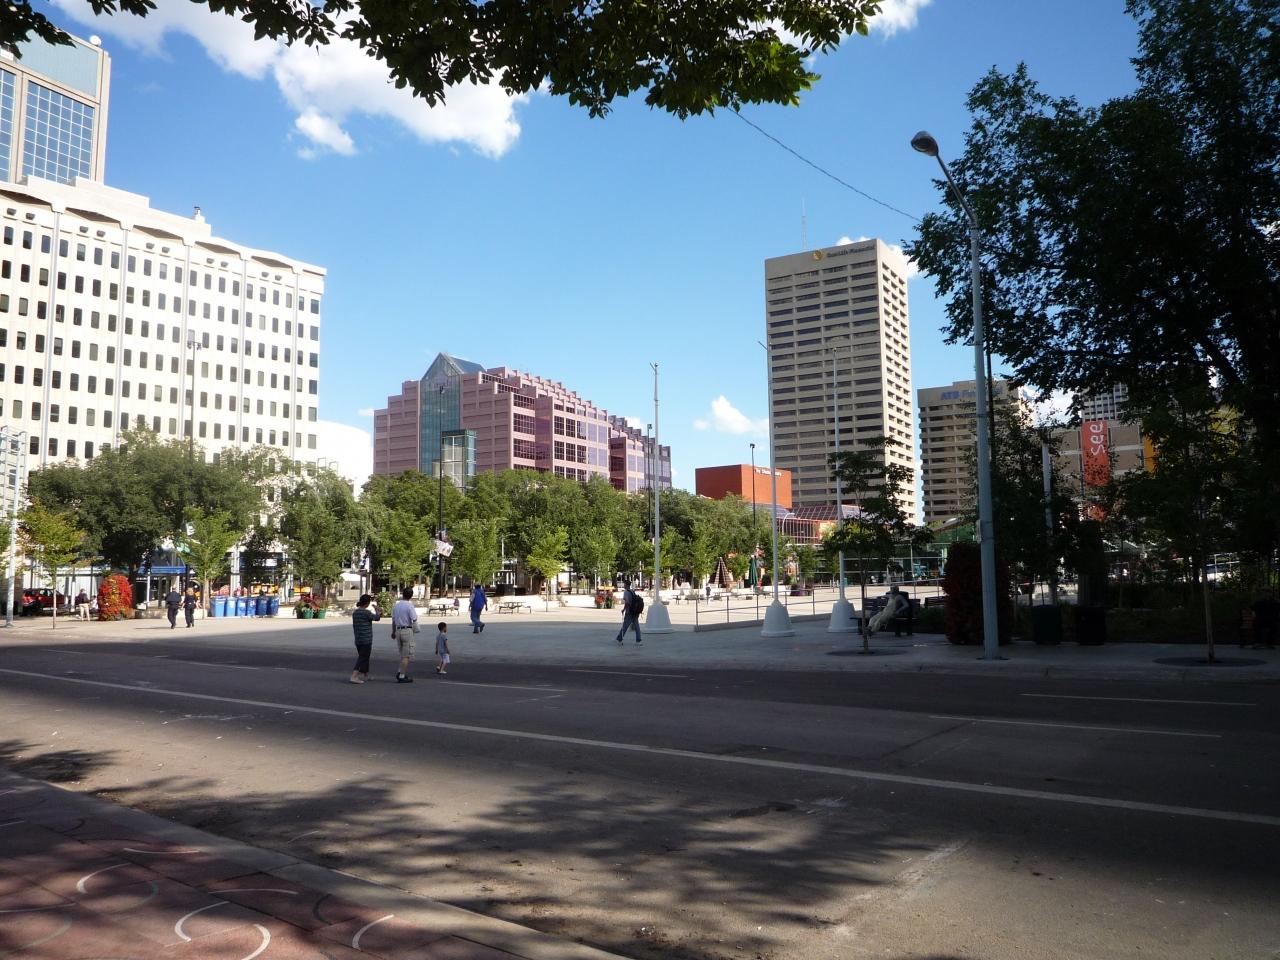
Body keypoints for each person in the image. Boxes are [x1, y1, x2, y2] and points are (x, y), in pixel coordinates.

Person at [349, 594, 380, 683]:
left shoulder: (355, 612)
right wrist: (377, 610)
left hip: (358, 639)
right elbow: (377, 618)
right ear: (367, 603)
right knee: (363, 658)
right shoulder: (366, 612)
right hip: (366, 639)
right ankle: (354, 676)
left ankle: (366, 674)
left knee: (364, 657)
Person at [391, 586, 420, 683]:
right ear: (411, 596)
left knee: (402, 654)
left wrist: (393, 632)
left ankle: (400, 671)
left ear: (402, 594)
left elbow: (393, 620)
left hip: (398, 630)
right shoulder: (409, 606)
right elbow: (414, 618)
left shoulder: (396, 605)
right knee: (406, 655)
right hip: (407, 630)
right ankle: (402, 676)